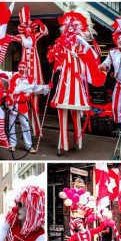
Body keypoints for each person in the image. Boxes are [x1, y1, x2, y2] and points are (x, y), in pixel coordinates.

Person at [47, 10, 105, 154]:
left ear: (79, 26)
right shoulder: (61, 43)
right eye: (69, 25)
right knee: (62, 110)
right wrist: (56, 61)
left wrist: (83, 43)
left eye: (74, 25)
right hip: (64, 81)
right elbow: (55, 60)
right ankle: (63, 144)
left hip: (76, 80)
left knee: (75, 113)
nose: (71, 27)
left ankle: (77, 141)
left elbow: (93, 57)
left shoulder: (81, 44)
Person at [11, 5, 49, 137]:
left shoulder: (35, 36)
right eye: (25, 27)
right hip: (24, 67)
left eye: (29, 27)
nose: (27, 29)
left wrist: (41, 24)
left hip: (35, 68)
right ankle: (26, 130)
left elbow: (45, 32)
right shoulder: (21, 37)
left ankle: (35, 129)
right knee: (23, 99)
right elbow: (10, 38)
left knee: (35, 101)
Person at [6, 62, 37, 153]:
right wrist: (12, 99)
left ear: (26, 68)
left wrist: (19, 94)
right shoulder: (14, 77)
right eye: (20, 67)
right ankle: (12, 144)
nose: (21, 68)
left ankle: (28, 146)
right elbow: (10, 91)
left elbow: (28, 94)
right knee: (11, 124)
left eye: (23, 67)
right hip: (13, 104)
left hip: (23, 106)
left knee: (26, 125)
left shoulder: (30, 80)